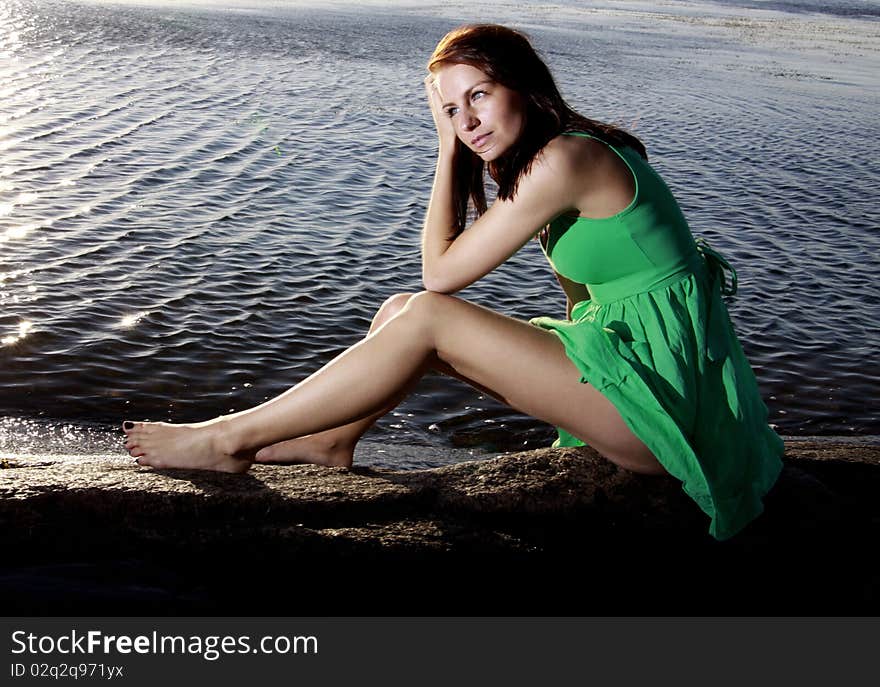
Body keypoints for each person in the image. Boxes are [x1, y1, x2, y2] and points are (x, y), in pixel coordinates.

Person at [124, 24, 783, 540]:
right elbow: (584, 300)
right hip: (648, 382)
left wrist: (443, 151)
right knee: (401, 310)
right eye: (449, 110)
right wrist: (452, 141)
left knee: (428, 313)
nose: (466, 122)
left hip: (658, 412)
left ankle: (227, 437)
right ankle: (330, 439)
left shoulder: (567, 159)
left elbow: (441, 271)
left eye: (478, 96)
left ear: (521, 85)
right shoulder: (569, 150)